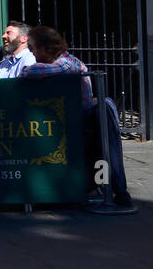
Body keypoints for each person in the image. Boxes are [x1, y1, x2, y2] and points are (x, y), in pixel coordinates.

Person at [21, 26, 131, 206]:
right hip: (70, 123)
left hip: (85, 123)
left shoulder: (68, 62)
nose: (32, 54)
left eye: (33, 49)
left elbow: (31, 72)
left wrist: (27, 69)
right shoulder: (57, 63)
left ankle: (114, 190)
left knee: (101, 154)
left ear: (45, 47)